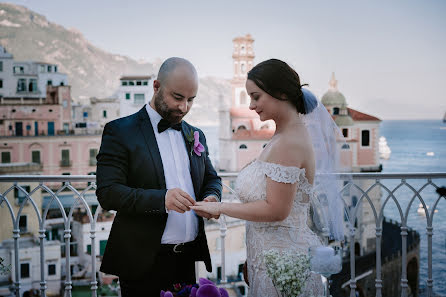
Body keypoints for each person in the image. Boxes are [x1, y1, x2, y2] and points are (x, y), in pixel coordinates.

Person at [192, 59, 346, 296]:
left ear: (280, 93)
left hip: (285, 265)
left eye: (256, 96)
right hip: (269, 257)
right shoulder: (282, 134)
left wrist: (222, 207)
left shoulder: (289, 141)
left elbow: (277, 210)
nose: (252, 105)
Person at [96, 57, 222, 296]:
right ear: (156, 87)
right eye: (177, 97)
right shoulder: (120, 131)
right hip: (141, 262)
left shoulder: (196, 135)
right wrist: (161, 199)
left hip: (186, 261)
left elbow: (211, 179)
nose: (184, 107)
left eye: (191, 100)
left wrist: (212, 197)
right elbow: (108, 193)